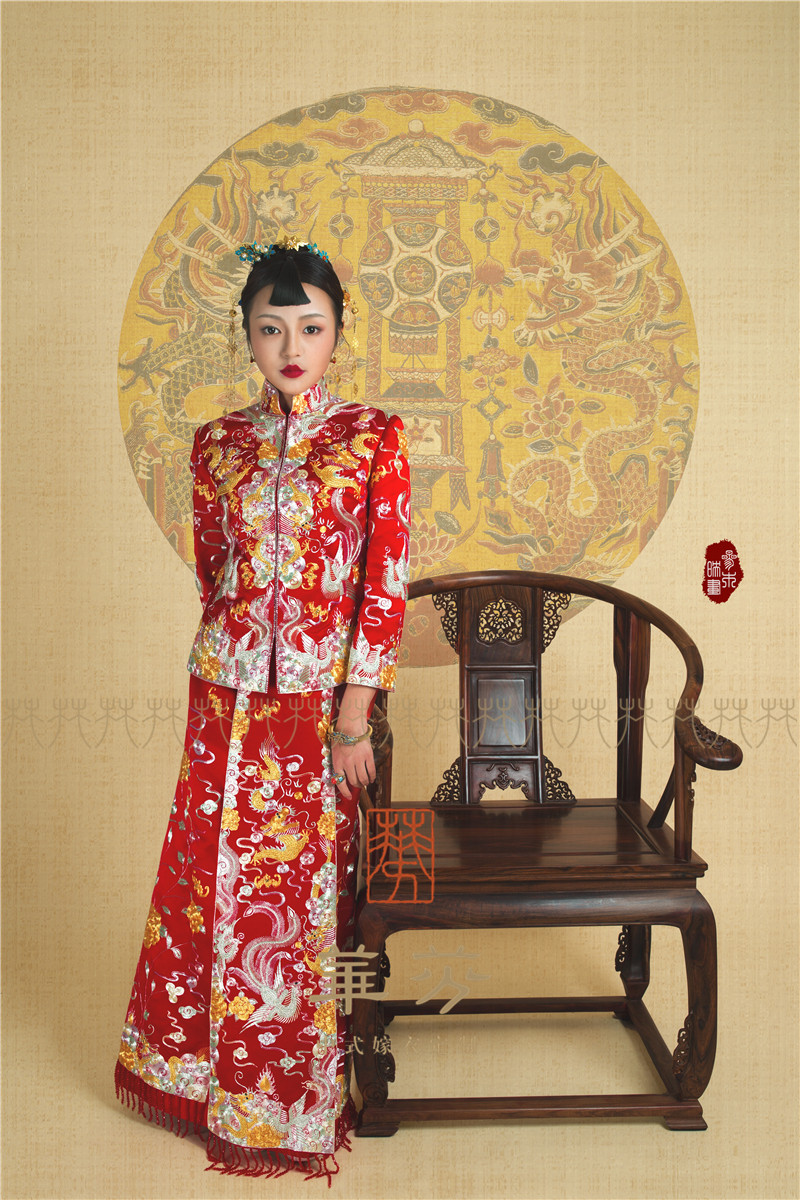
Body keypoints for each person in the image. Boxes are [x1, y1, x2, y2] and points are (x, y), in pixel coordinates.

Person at [115, 237, 411, 1183]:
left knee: (303, 891)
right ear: (246, 335)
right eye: (271, 328)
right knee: (209, 882)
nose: (291, 347)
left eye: (309, 328)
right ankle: (201, 1084)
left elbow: (384, 585)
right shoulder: (217, 445)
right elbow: (215, 570)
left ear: (337, 336)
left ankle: (290, 1096)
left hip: (319, 704)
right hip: (225, 692)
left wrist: (354, 716)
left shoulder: (373, 438)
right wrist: (241, 646)